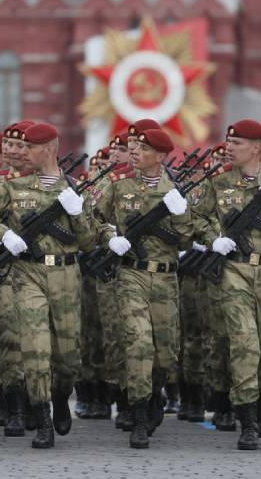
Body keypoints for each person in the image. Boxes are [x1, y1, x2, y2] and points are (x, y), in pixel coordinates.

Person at [0, 122, 98, 448]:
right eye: (20, 147)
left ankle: (60, 395)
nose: (21, 153)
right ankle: (42, 421)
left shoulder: (73, 189)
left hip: (67, 276)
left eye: (29, 147)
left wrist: (78, 211)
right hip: (26, 275)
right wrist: (4, 234)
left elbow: (88, 241)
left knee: (68, 360)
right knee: (35, 350)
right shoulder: (11, 186)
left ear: (49, 149)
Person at [195, 119, 261, 450]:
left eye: (237, 143)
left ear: (256, 148)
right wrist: (214, 239)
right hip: (235, 272)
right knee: (244, 344)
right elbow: (197, 218)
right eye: (228, 141)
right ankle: (248, 420)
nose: (229, 147)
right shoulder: (218, 183)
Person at [94, 128, 192, 449]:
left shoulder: (175, 191)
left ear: (161, 157)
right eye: (135, 148)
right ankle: (137, 415)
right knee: (138, 343)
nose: (135, 152)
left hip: (165, 278)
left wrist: (179, 214)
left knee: (165, 353)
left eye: (144, 149)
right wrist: (111, 237)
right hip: (131, 275)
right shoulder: (119, 187)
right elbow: (93, 220)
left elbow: (188, 238)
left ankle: (154, 396)